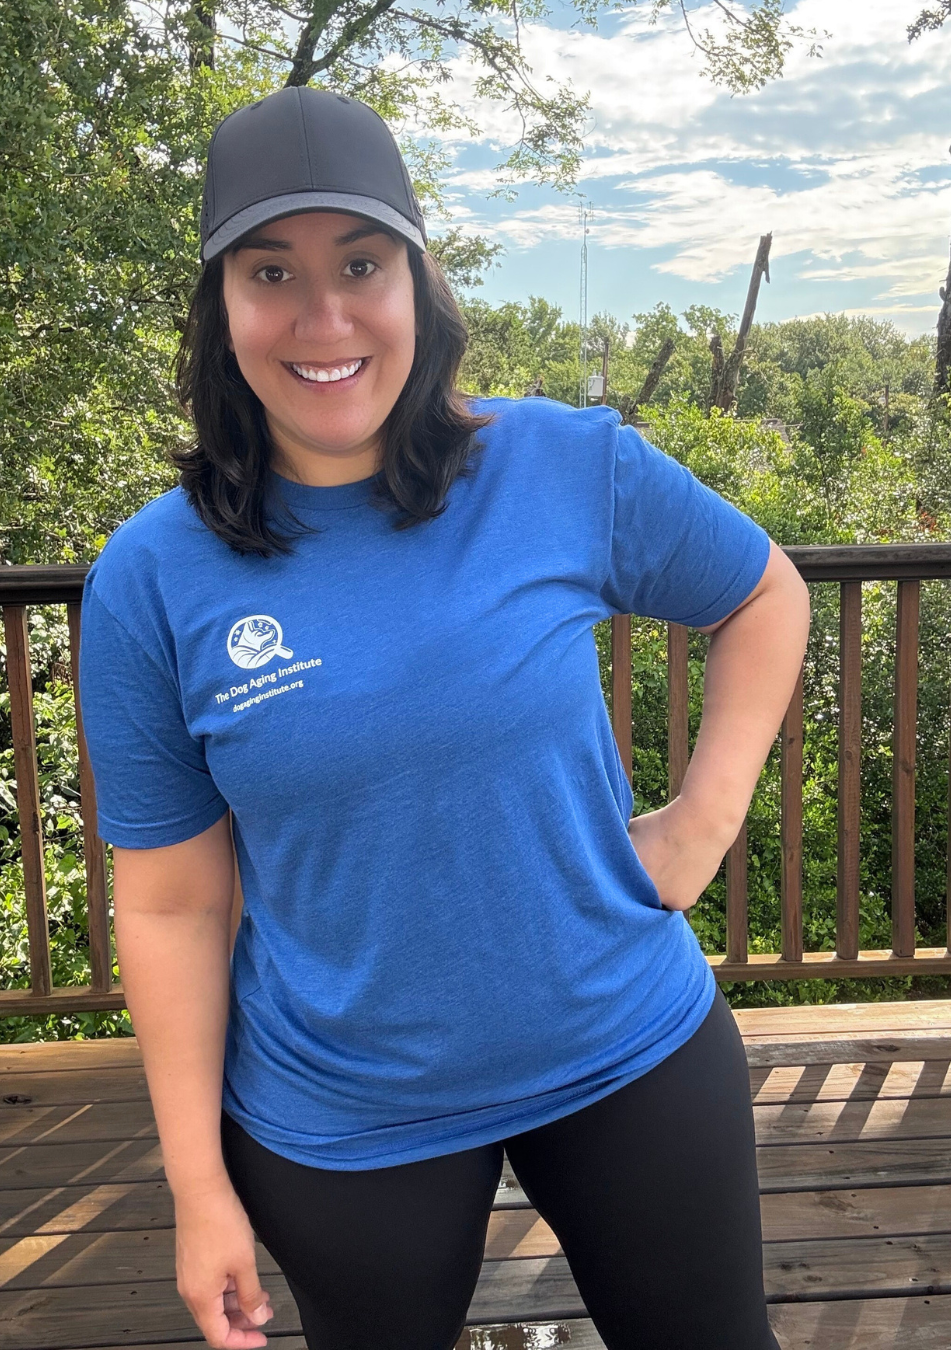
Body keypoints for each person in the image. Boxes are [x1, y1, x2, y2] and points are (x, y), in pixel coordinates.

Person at [78, 85, 809, 1350]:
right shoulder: (153, 579)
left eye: (362, 264)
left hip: (625, 1041)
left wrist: (701, 823)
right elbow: (173, 905)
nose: (324, 318)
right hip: (344, 1109)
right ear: (221, 308)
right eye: (271, 272)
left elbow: (763, 593)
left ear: (418, 282)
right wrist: (199, 1189)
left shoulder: (561, 463)